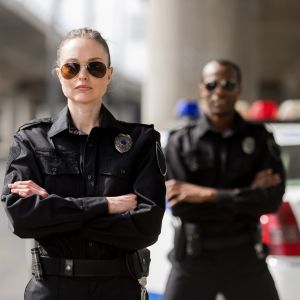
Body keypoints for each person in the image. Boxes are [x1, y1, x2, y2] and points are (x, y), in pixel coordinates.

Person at [1, 28, 166, 300]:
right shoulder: (30, 139)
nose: (83, 75)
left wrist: (55, 211)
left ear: (109, 75)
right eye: (71, 67)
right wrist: (104, 205)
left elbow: (146, 227)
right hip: (51, 290)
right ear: (58, 74)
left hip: (118, 289)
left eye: (95, 67)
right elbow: (21, 219)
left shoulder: (141, 141)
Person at [164, 59, 285, 300]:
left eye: (228, 84)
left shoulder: (260, 138)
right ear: (201, 89)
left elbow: (270, 201)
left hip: (246, 256)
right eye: (211, 85)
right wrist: (246, 194)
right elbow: (180, 205)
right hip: (193, 257)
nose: (219, 91)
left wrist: (206, 194)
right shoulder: (180, 141)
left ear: (238, 89)